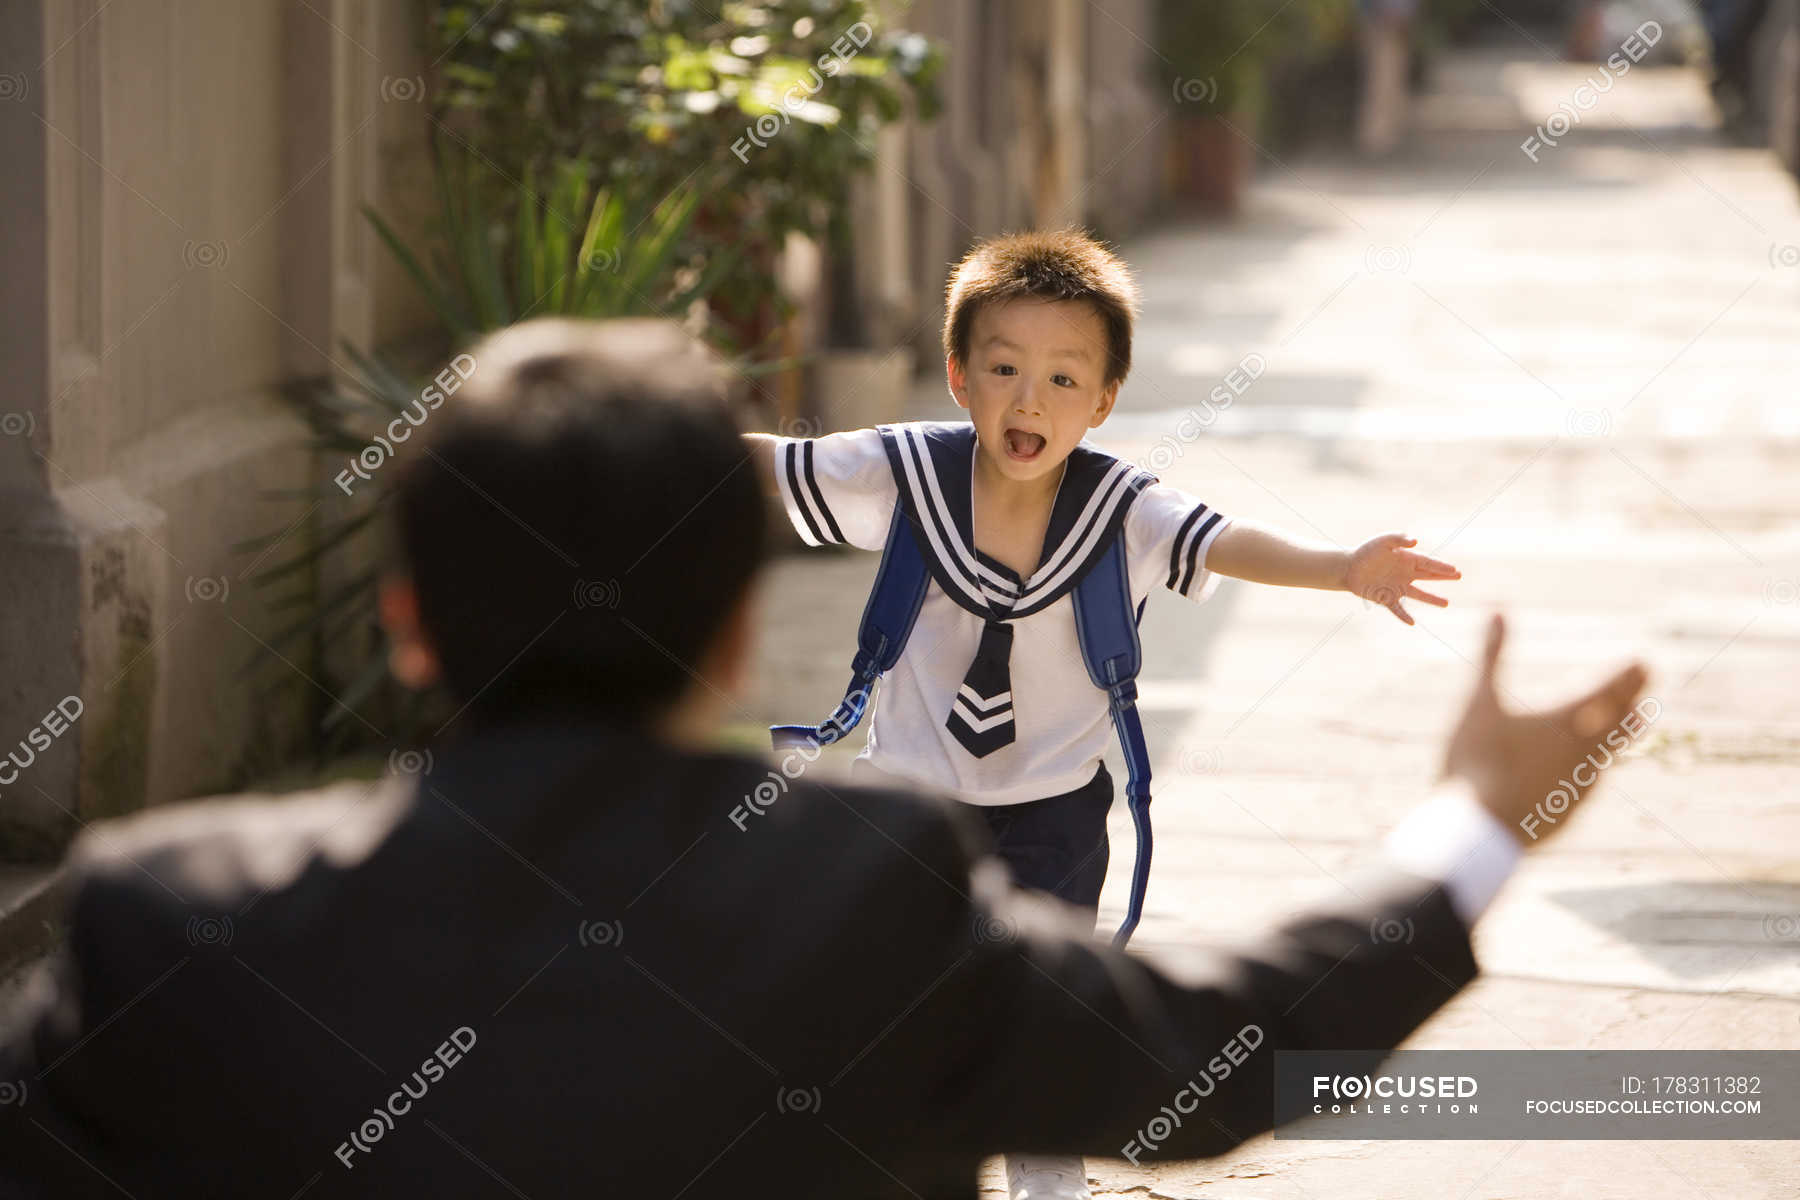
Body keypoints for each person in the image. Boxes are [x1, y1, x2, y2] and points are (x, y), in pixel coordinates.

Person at [0, 318, 1646, 1199]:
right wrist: (1475, 822)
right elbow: (1210, 1056)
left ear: (409, 619)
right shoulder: (862, 889)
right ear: (734, 636)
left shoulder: (164, 929)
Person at [747, 230, 1460, 1196]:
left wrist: (1341, 569)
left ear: (1104, 400)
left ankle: (1046, 1167)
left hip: (1055, 813)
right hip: (908, 805)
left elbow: (1223, 544)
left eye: (1062, 378)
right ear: (958, 378)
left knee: (1043, 1004)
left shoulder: (1122, 511)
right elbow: (774, 466)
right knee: (899, 997)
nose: (1028, 398)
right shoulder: (903, 474)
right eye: (1003, 368)